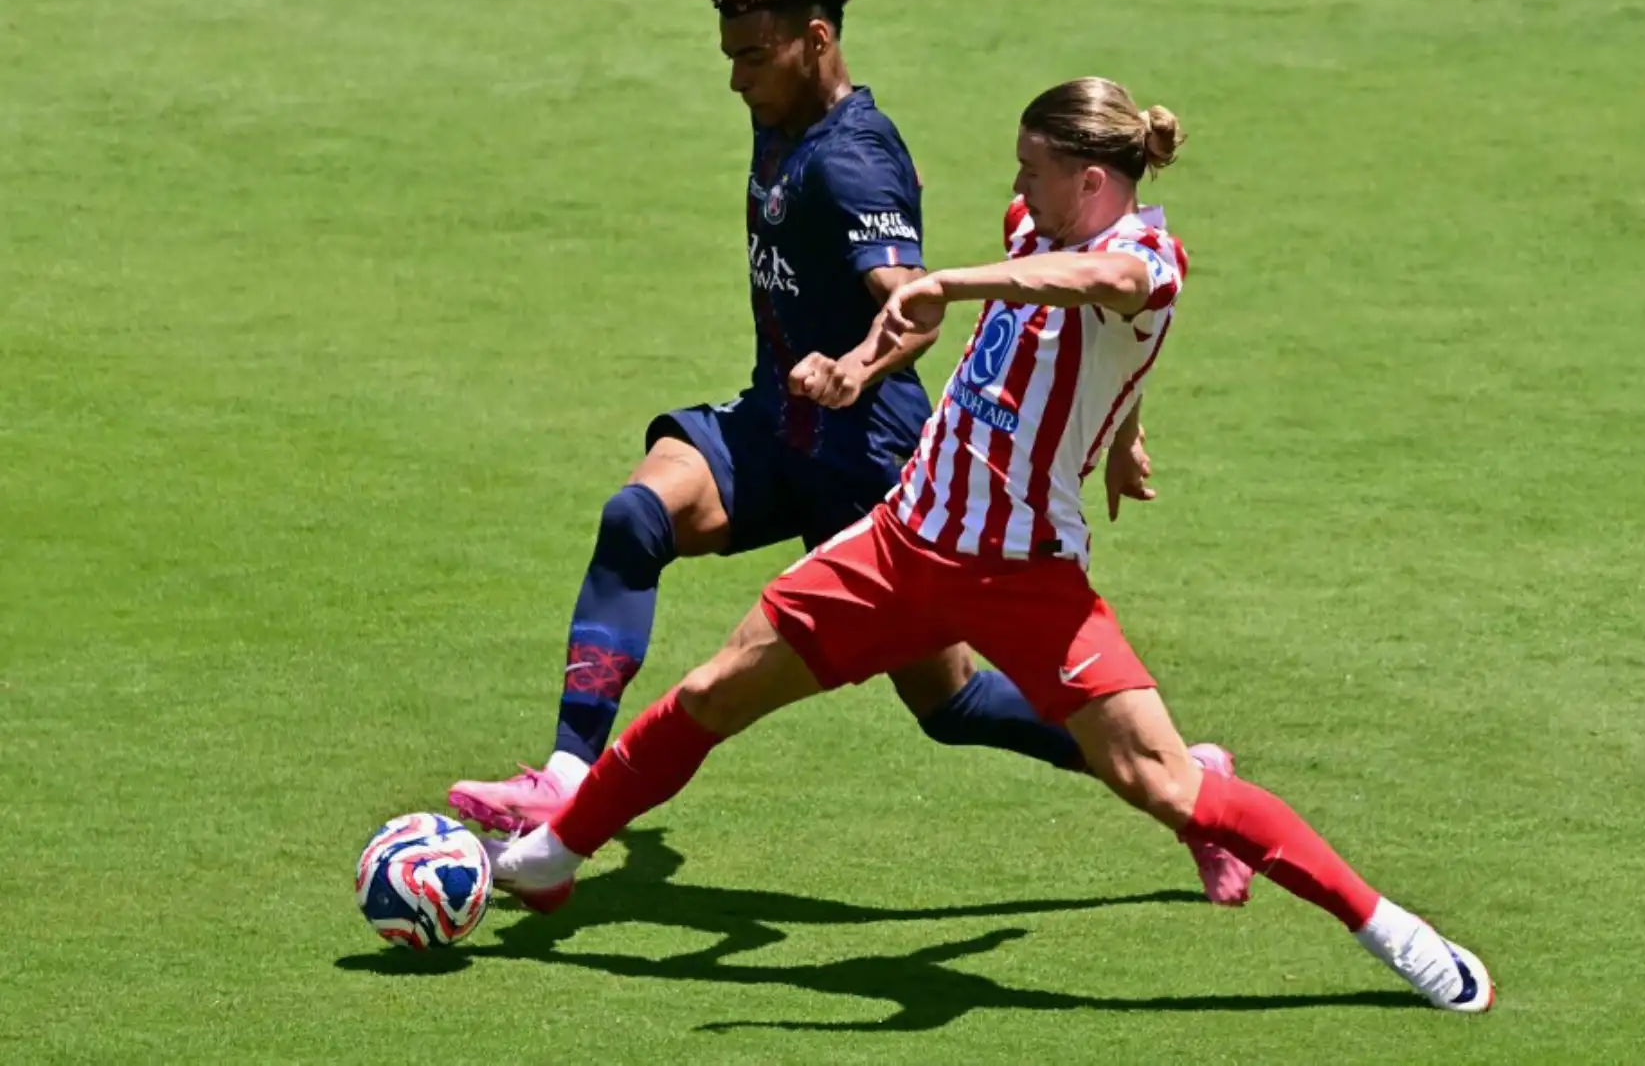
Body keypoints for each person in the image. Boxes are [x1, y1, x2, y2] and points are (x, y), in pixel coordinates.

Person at [486, 78, 1494, 1012]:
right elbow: (1027, 344)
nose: (1016, 186)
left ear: (1089, 179)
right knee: (713, 693)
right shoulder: (1031, 226)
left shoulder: (1149, 263)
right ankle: (554, 852)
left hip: (1029, 579)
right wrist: (860, 368)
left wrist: (963, 285)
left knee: (1165, 784)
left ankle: (1394, 933)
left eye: (1032, 168)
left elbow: (1099, 288)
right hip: (899, 541)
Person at [446, 0, 1205, 870]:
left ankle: (1185, 782)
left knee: (953, 707)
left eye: (752, 58)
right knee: (636, 515)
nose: (735, 81)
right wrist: (1128, 427)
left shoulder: (854, 162)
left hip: (866, 455)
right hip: (775, 422)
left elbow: (913, 304)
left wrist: (855, 364)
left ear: (815, 40)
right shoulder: (782, 111)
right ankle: (566, 780)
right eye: (728, 57)